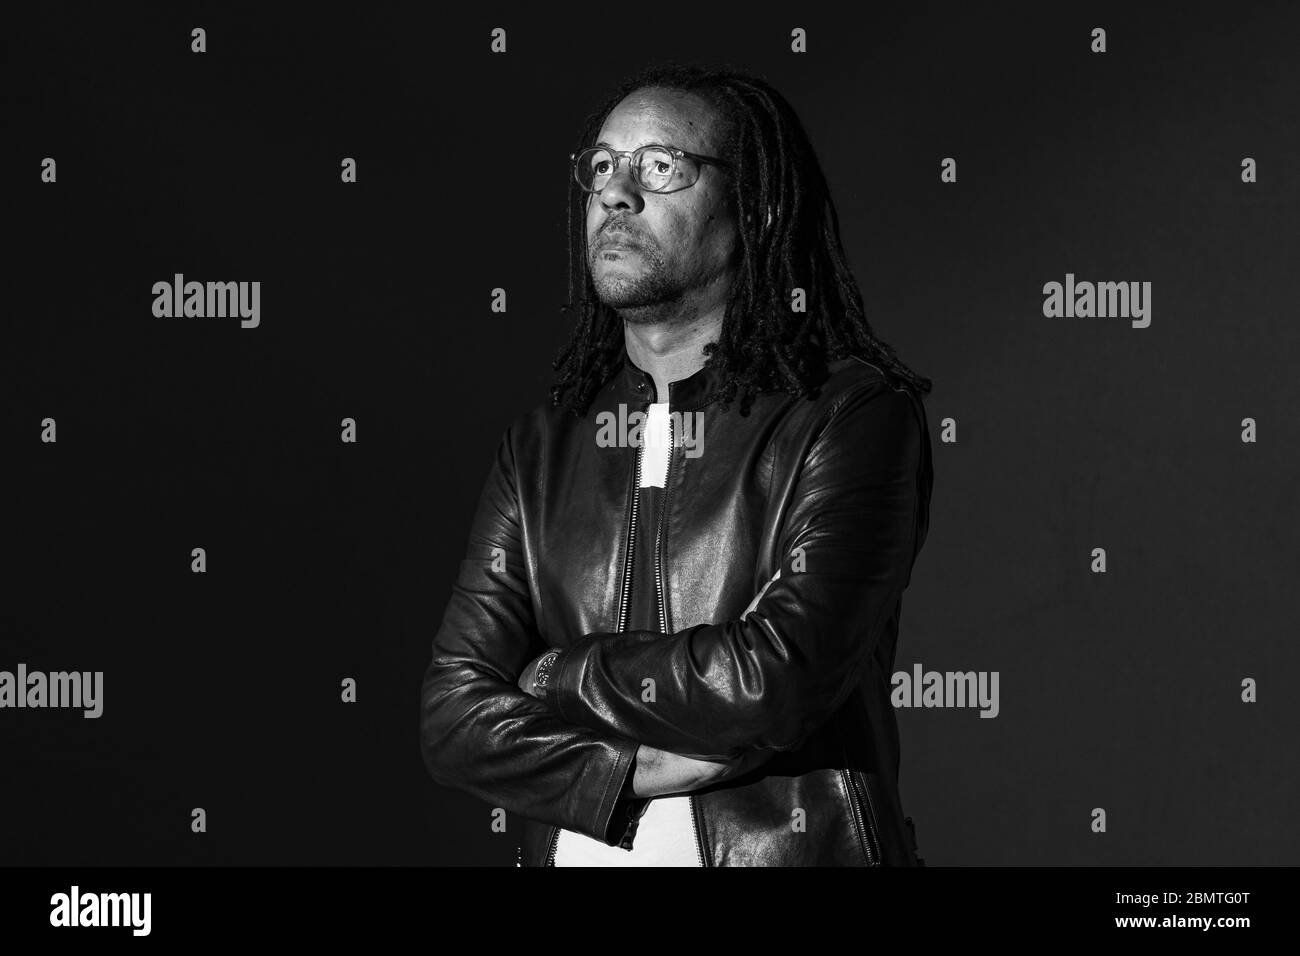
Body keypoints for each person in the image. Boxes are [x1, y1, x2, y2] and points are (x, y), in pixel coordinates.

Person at [419, 64, 934, 866]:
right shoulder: (542, 449)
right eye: (602, 167)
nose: (615, 194)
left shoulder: (847, 416)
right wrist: (626, 773)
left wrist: (555, 675)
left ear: (755, 205)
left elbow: (776, 677)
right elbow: (453, 716)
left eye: (661, 167)